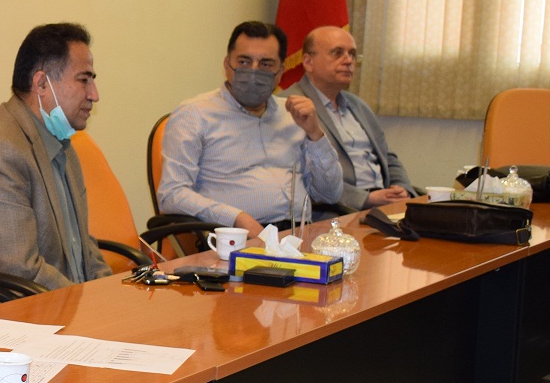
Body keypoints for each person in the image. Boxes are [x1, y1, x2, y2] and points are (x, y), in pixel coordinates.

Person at [0, 23, 112, 311]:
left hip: (54, 305)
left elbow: (82, 247)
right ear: (41, 84)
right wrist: (88, 305)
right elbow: (21, 270)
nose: (94, 94)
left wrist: (113, 294)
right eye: (84, 80)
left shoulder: (61, 144)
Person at [158, 21, 342, 238]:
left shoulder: (294, 115)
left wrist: (315, 134)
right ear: (227, 65)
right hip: (235, 238)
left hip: (298, 237)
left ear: (280, 72)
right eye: (244, 61)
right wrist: (235, 217)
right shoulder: (195, 114)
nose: (253, 71)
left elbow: (330, 194)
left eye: (266, 64)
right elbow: (172, 194)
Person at [289, 25, 415, 213]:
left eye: (352, 54)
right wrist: (365, 199)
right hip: (337, 211)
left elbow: (387, 156)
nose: (348, 60)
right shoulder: (292, 106)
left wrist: (401, 188)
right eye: (337, 53)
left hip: (383, 204)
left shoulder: (358, 105)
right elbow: (299, 174)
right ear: (308, 62)